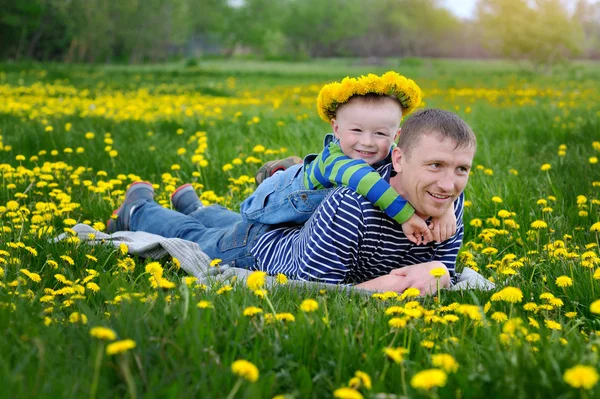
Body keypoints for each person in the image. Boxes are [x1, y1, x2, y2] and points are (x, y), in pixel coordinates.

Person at [107, 108, 476, 294]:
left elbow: (437, 269)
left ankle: (198, 206)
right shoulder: (351, 205)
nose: (448, 183)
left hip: (290, 230)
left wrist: (436, 273)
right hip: (257, 250)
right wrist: (383, 287)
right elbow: (313, 290)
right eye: (435, 165)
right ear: (398, 158)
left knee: (219, 222)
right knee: (195, 235)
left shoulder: (444, 202)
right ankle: (138, 208)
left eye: (461, 169)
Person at [239, 71, 457, 245]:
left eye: (380, 133)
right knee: (254, 217)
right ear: (336, 128)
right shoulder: (336, 160)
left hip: (317, 211)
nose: (368, 142)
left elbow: (429, 169)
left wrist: (447, 210)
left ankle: (293, 167)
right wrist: (407, 216)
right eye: (356, 130)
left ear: (396, 136)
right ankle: (277, 175)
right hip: (285, 199)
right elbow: (364, 179)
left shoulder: (392, 153)